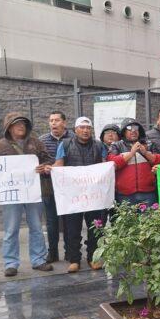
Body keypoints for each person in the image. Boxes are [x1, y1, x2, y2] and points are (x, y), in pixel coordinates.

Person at [0, 113, 55, 277]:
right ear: (9, 127)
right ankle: (10, 263)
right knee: (10, 230)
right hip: (11, 196)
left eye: (23, 124)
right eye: (17, 124)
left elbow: (49, 161)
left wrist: (44, 166)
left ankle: (39, 260)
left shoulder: (36, 143)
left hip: (33, 193)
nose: (21, 126)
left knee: (37, 227)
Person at [52, 116, 108, 273]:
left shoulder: (99, 145)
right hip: (73, 195)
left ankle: (93, 258)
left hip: (94, 195)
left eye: (88, 128)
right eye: (82, 127)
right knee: (72, 228)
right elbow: (59, 164)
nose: (85, 130)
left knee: (95, 228)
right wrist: (52, 169)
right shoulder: (65, 144)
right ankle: (74, 259)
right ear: (75, 130)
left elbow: (105, 165)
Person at [38, 111, 71, 263]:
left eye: (57, 120)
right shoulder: (42, 140)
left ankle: (70, 252)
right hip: (49, 186)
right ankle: (52, 253)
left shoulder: (73, 139)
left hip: (70, 188)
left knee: (70, 221)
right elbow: (37, 162)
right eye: (51, 120)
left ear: (64, 122)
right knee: (51, 222)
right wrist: (44, 168)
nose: (53, 123)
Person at [107, 118, 160, 206]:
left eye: (136, 128)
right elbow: (112, 164)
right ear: (124, 131)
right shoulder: (116, 145)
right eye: (129, 128)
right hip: (124, 195)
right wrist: (131, 153)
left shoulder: (149, 144)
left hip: (148, 193)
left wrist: (145, 153)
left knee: (148, 219)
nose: (133, 131)